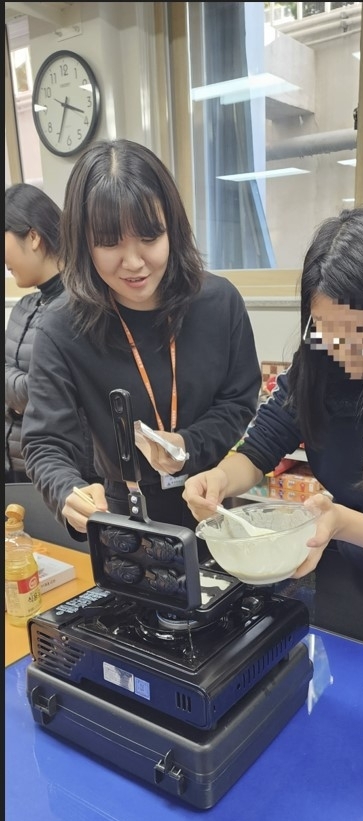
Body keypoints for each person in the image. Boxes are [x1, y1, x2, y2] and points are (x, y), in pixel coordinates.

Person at [183, 207, 363, 666]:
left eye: (358, 333)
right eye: (327, 331)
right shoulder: (322, 359)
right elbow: (263, 443)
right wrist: (220, 480)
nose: (341, 350)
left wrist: (342, 522)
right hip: (349, 576)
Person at [21, 139, 261, 543]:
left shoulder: (219, 303)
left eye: (149, 237)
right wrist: (68, 493)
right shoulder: (62, 327)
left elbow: (238, 402)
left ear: (173, 228)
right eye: (110, 242)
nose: (133, 262)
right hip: (122, 517)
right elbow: (45, 442)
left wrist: (188, 443)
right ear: (84, 242)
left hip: (211, 503)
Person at [5, 183, 98, 485]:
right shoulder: (24, 306)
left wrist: (17, 390)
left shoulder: (81, 308)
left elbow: (52, 391)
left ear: (32, 237)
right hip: (17, 461)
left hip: (67, 470)